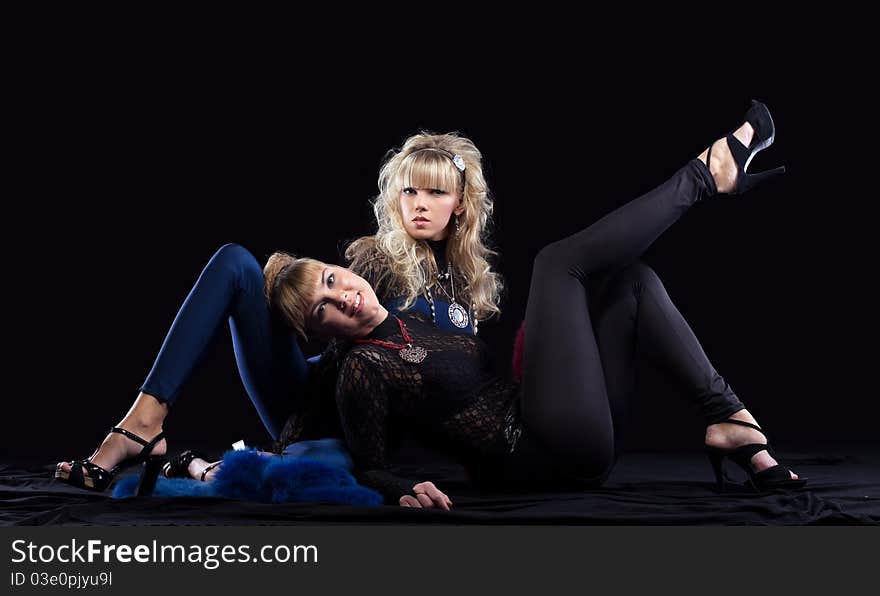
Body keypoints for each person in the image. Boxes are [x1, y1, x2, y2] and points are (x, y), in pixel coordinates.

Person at [265, 100, 806, 509]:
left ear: (460, 206)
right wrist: (291, 456)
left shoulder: (449, 288)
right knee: (555, 263)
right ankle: (708, 174)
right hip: (540, 453)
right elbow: (364, 453)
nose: (346, 295)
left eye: (434, 192)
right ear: (323, 330)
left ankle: (731, 423)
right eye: (324, 309)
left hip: (570, 430)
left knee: (632, 283)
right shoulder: (365, 332)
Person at [54, 131, 502, 491]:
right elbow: (348, 357)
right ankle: (143, 421)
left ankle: (187, 461)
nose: (419, 204)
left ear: (460, 203)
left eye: (436, 192)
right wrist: (286, 444)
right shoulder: (379, 260)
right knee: (235, 262)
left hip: (369, 427)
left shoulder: (468, 283)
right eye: (409, 190)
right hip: (316, 399)